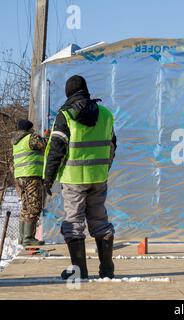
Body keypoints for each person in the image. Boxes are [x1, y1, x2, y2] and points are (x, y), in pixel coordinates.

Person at [44, 75, 117, 280]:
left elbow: (56, 149)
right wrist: (104, 169)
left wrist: (48, 178)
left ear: (69, 93)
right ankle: (107, 270)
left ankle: (80, 271)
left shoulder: (65, 115)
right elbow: (112, 146)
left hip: (73, 178)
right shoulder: (105, 114)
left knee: (73, 224)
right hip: (98, 178)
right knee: (100, 222)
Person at [11, 120, 47, 246]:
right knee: (34, 206)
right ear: (29, 129)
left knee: (26, 207)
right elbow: (46, 145)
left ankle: (22, 238)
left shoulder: (16, 141)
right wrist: (48, 135)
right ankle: (28, 238)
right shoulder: (30, 138)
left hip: (20, 177)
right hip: (31, 176)